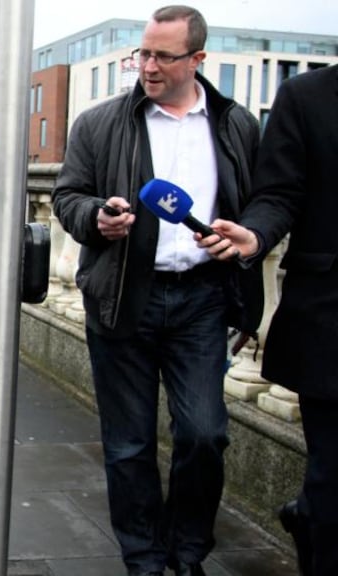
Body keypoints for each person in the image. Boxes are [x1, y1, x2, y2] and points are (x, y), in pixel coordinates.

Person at [51, 6, 263, 576]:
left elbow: (261, 202)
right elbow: (67, 197)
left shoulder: (236, 124)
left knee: (204, 434)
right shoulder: (98, 123)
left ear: (197, 59)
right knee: (127, 445)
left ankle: (187, 547)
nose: (147, 65)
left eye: (162, 56)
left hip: (202, 299)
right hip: (122, 297)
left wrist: (244, 239)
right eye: (141, 53)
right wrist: (99, 218)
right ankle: (144, 559)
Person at [202, 63, 338, 576]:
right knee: (334, 484)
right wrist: (255, 237)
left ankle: (307, 518)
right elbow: (280, 193)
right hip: (331, 322)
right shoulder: (307, 96)